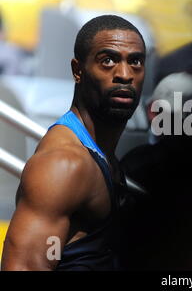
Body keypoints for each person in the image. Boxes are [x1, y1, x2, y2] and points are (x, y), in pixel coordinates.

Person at [1, 15, 146, 271]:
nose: (124, 74)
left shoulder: (99, 154)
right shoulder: (64, 165)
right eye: (108, 60)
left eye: (135, 62)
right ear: (78, 71)